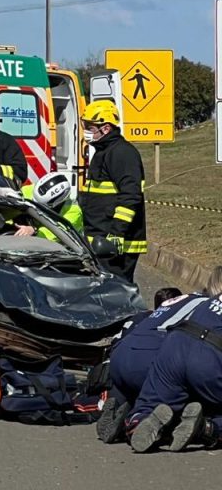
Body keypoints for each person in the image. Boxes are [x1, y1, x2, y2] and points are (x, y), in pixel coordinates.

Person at [96, 286, 210, 444]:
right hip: (150, 358)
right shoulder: (208, 308)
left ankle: (124, 413)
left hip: (121, 354)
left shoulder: (181, 300)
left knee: (144, 391)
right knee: (183, 399)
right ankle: (138, 422)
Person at [127, 275, 222, 453]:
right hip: (212, 356)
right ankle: (208, 428)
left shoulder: (213, 299)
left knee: (152, 401)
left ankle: (138, 420)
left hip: (176, 345)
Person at [78, 101, 146, 281]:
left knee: (117, 291)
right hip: (102, 238)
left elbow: (131, 196)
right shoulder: (103, 151)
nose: (86, 130)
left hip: (116, 242)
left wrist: (115, 235)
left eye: (90, 127)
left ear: (106, 128)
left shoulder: (122, 153)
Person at [22, 173, 84, 239]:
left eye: (40, 206)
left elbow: (57, 233)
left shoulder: (73, 212)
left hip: (63, 246)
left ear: (57, 204)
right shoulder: (29, 190)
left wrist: (35, 231)